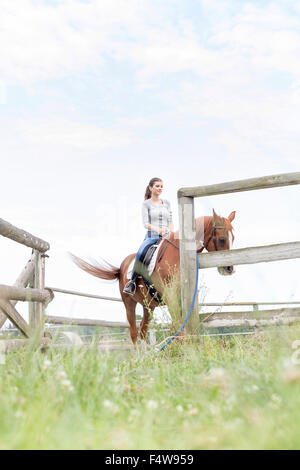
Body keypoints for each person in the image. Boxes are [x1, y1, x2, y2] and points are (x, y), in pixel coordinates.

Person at [123, 177, 174, 296]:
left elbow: (170, 220)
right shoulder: (146, 204)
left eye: (161, 186)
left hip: (167, 235)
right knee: (141, 252)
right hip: (153, 235)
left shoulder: (167, 203)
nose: (160, 188)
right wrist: (159, 230)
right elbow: (146, 224)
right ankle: (132, 282)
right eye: (157, 186)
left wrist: (171, 232)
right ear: (151, 188)